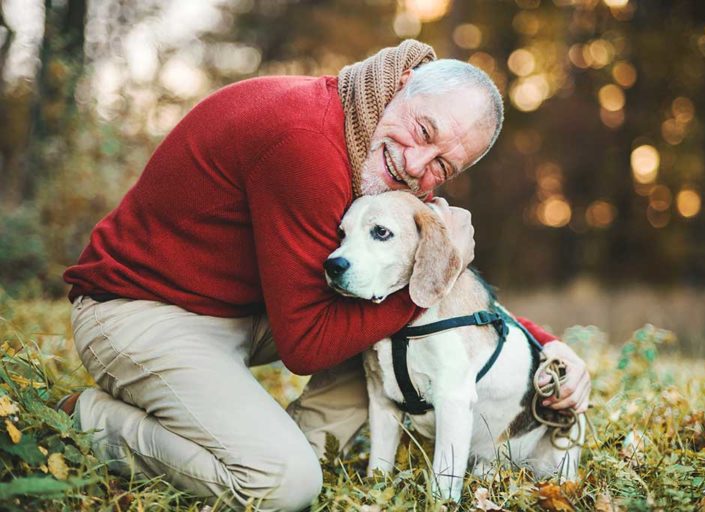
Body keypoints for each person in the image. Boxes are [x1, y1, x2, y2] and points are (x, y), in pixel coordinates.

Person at [60, 40, 591, 511]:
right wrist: (427, 278)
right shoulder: (307, 142)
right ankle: (92, 418)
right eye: (423, 130)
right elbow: (308, 345)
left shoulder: (377, 153)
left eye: (442, 167)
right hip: (137, 311)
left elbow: (441, 297)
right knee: (283, 485)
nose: (415, 163)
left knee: (375, 342)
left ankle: (282, 441)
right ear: (402, 87)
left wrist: (545, 346)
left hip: (237, 311)